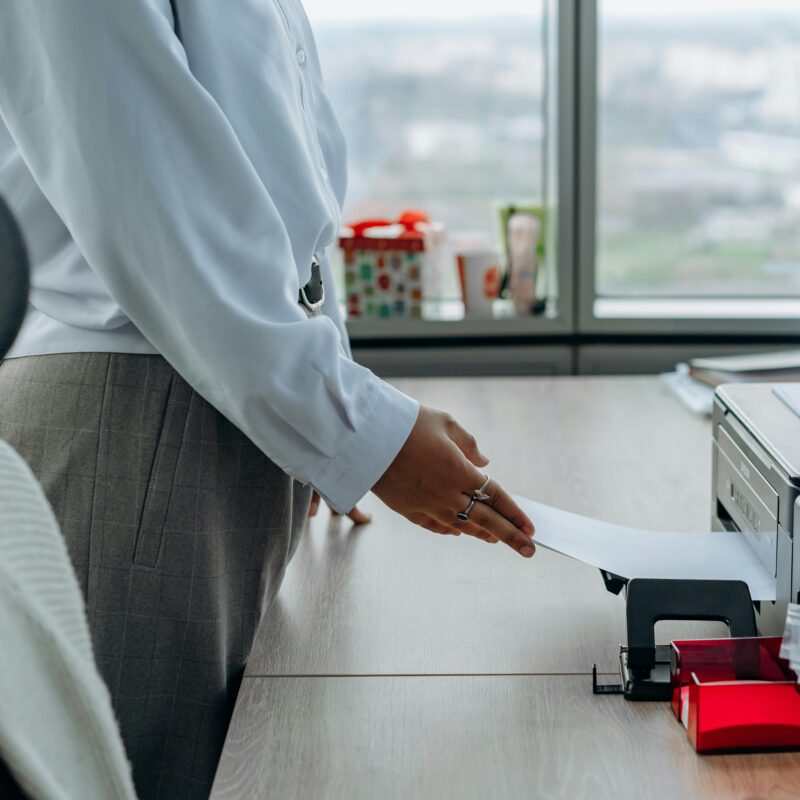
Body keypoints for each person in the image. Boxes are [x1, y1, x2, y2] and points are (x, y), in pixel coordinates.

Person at [0, 1, 536, 797]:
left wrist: (317, 431)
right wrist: (351, 430)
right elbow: (158, 207)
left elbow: (281, 218)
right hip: (139, 411)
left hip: (200, 400)